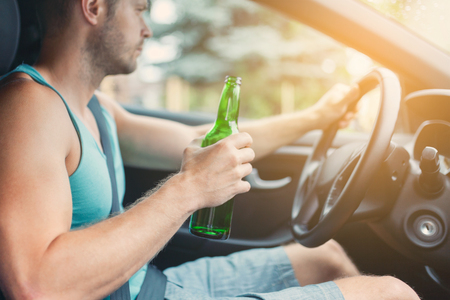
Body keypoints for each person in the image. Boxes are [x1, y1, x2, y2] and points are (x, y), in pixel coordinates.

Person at [0, 0, 420, 299]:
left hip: (146, 285)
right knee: (391, 292)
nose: (147, 29)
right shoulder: (30, 107)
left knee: (324, 257)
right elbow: (36, 285)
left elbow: (210, 139)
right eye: (141, 9)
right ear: (93, 7)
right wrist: (190, 188)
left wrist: (317, 118)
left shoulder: (95, 106)